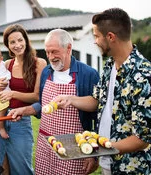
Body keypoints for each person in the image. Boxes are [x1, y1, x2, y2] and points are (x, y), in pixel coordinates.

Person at [53, 8, 151, 175]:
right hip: (108, 163)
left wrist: (101, 148)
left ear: (111, 37)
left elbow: (142, 138)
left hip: (132, 168)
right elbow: (97, 100)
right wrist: (70, 99)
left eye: (97, 36)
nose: (95, 41)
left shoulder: (144, 76)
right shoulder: (109, 66)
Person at [8, 28, 100, 175]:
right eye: (47, 52)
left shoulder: (88, 74)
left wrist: (93, 153)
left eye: (54, 51)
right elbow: (43, 103)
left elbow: (97, 112)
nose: (50, 57)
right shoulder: (47, 72)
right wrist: (25, 110)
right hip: (46, 143)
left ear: (68, 48)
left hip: (74, 147)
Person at [0, 24, 47, 175]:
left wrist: (13, 94)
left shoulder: (39, 63)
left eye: (20, 40)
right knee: (0, 166)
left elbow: (37, 97)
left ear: (26, 40)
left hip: (20, 121)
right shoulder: (7, 64)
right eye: (12, 42)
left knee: (22, 169)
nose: (17, 45)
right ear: (7, 45)